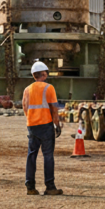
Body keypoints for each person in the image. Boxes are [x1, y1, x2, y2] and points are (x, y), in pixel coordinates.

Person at [22, 60, 62, 196]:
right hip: (46, 126)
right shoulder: (48, 88)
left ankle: (30, 187)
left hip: (32, 126)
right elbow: (54, 109)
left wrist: (31, 119)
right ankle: (50, 187)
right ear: (44, 74)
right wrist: (57, 124)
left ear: (34, 75)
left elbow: (24, 107)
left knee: (31, 156)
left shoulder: (27, 89)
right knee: (48, 156)